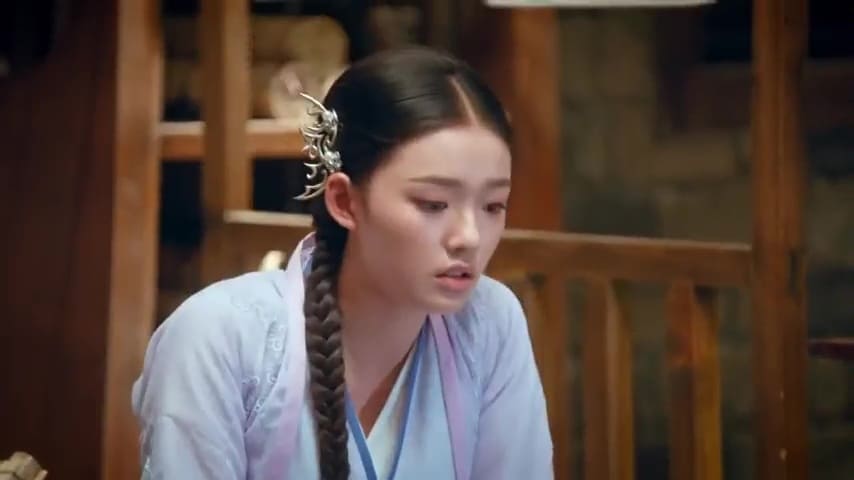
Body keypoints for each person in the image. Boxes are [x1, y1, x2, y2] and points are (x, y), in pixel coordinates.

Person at [131, 47, 553, 480]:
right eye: (433, 204)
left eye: (493, 205)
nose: (470, 236)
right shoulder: (220, 338)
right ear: (344, 201)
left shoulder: (488, 321)